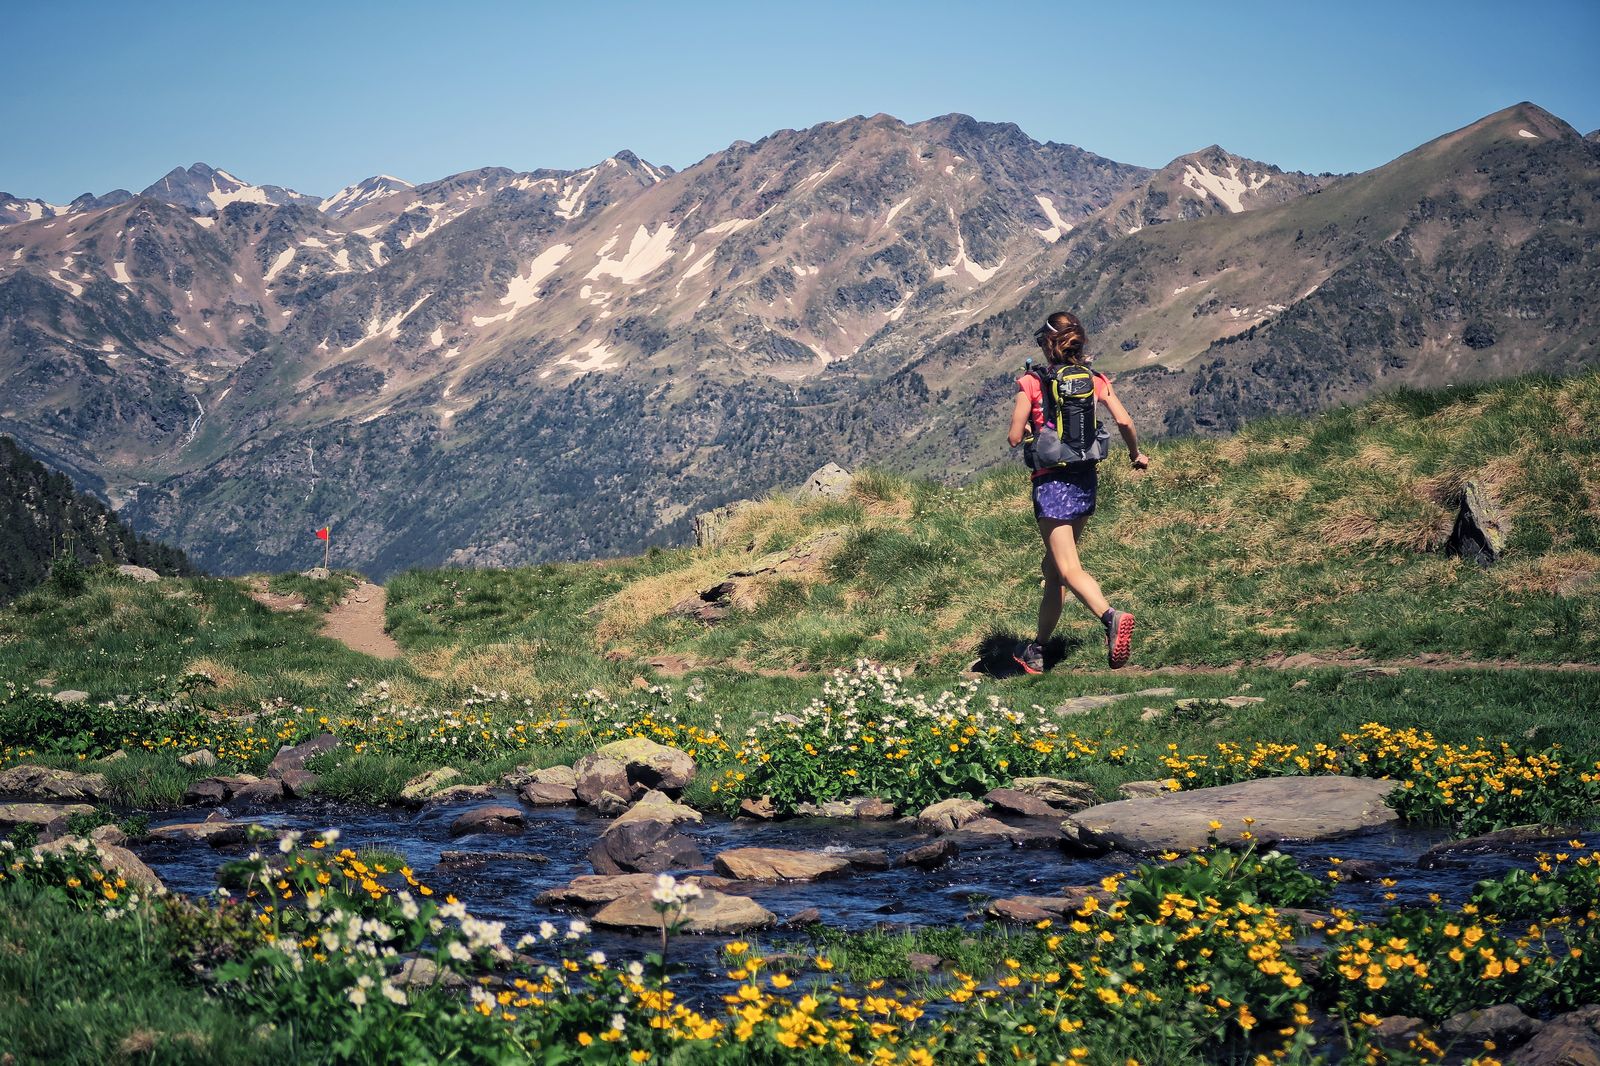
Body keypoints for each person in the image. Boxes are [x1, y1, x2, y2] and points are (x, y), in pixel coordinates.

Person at [1006, 311, 1149, 673]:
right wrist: (1136, 454)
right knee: (1053, 569)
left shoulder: (1033, 381)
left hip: (1051, 484)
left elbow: (1013, 436)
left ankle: (1111, 616)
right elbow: (1124, 421)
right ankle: (1037, 651)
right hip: (1085, 481)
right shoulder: (1096, 379)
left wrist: (1030, 434)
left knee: (1068, 569)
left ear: (1047, 345)